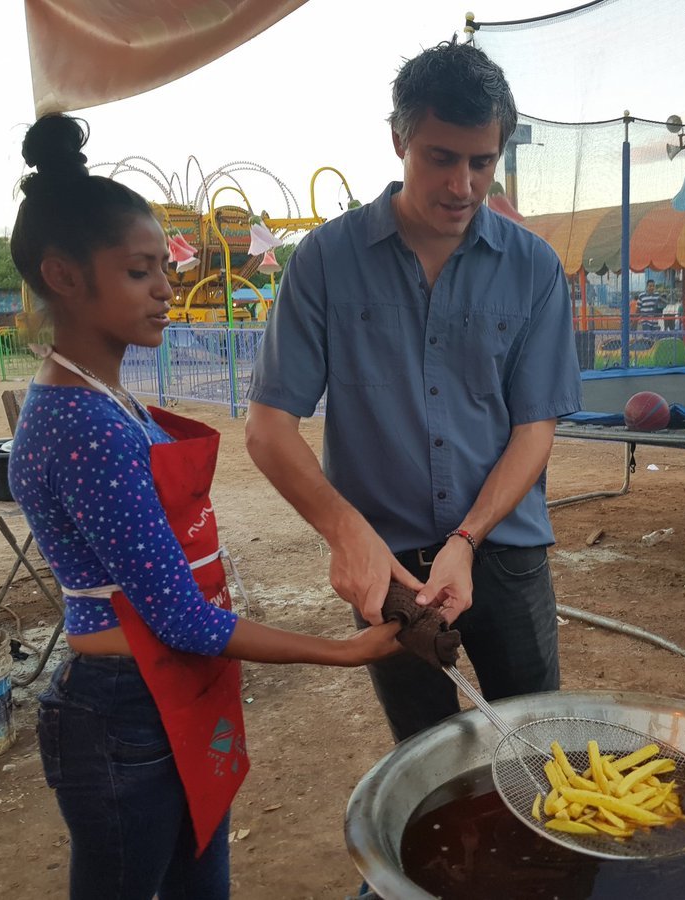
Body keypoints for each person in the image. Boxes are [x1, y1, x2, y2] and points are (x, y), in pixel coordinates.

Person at [6, 115, 402, 899]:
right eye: (138, 272)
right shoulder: (81, 425)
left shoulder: (110, 401)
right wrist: (342, 653)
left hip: (166, 693)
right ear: (64, 276)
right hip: (125, 712)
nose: (165, 289)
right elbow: (182, 621)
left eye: (164, 267)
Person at [244, 39, 582, 744]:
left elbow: (534, 427)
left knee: (537, 743)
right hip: (387, 568)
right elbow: (269, 427)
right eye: (440, 157)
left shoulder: (534, 269)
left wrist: (467, 536)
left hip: (506, 557)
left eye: (481, 162)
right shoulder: (324, 263)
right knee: (427, 761)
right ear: (399, 139)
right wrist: (348, 536)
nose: (462, 185)